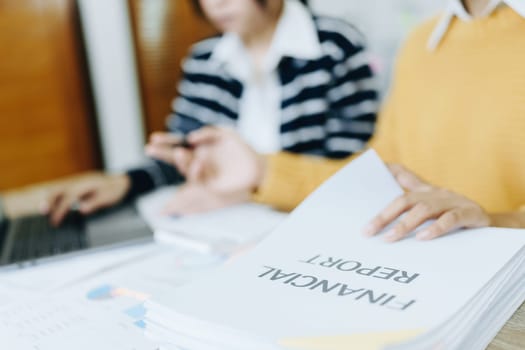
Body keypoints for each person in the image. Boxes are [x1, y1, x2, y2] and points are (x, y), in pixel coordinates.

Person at [147, 0, 525, 240]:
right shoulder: (423, 43)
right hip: (417, 274)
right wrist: (262, 171)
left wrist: (494, 221)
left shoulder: (337, 44)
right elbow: (376, 173)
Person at [44, 0, 379, 225]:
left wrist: (242, 191)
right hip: (224, 224)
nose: (214, 3)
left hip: (306, 223)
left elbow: (350, 169)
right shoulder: (205, 59)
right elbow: (182, 151)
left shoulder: (335, 45)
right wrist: (123, 182)